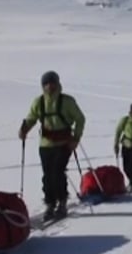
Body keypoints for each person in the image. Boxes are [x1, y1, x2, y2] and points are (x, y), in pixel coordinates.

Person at [18, 71, 85, 221]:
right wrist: (24, 130)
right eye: (46, 83)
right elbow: (31, 118)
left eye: (52, 82)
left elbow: (80, 119)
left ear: (57, 83)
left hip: (64, 143)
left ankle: (61, 202)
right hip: (46, 144)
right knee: (47, 175)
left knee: (57, 172)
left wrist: (76, 138)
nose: (49, 86)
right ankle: (50, 203)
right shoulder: (39, 102)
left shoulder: (67, 101)